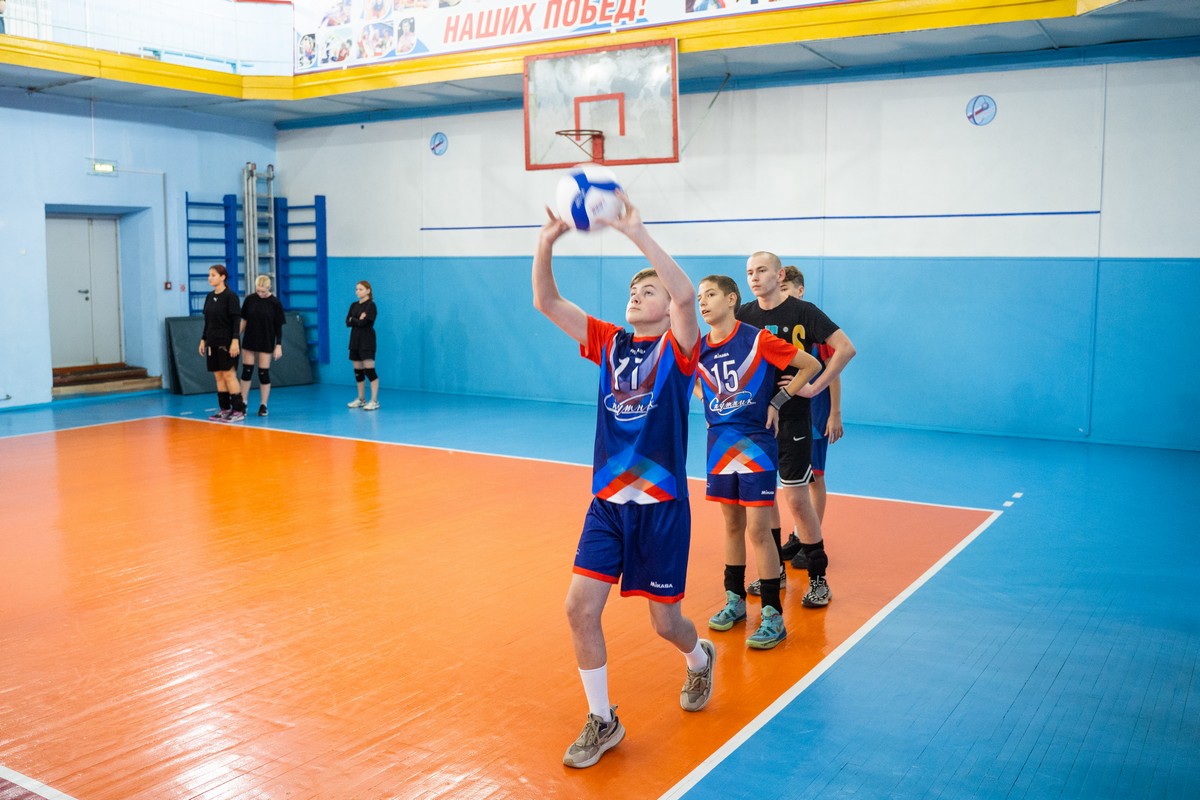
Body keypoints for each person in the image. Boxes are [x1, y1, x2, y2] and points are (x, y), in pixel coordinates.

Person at [532, 192, 714, 769]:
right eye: (633, 290)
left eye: (647, 290)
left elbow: (684, 295)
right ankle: (603, 720)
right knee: (579, 608)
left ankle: (699, 657)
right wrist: (545, 242)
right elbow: (546, 301)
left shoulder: (680, 350)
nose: (638, 294)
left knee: (666, 624)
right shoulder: (609, 343)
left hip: (661, 509)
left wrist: (636, 232)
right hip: (608, 505)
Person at [696, 275, 820, 649]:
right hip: (719, 446)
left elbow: (809, 365)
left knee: (758, 530)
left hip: (756, 445)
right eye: (699, 298)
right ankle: (734, 600)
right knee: (732, 525)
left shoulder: (757, 339)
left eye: (711, 294)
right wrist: (708, 402)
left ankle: (772, 614)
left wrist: (777, 402)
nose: (703, 303)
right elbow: (689, 381)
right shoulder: (699, 348)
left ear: (731, 299)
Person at [736, 252, 856, 608]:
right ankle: (776, 572)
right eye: (749, 272)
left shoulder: (804, 312)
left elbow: (845, 349)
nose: (754, 277)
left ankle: (819, 579)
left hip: (793, 418)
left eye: (761, 270)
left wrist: (815, 388)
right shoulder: (743, 315)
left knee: (797, 499)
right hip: (756, 421)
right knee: (764, 499)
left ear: (780, 275)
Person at [780, 266, 844, 527]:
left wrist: (834, 413)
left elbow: (834, 373)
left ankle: (811, 534)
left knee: (814, 476)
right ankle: (799, 532)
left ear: (800, 290)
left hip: (815, 414)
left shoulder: (815, 328)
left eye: (786, 289)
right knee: (793, 478)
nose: (782, 295)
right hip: (785, 415)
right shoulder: (776, 330)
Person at [198, 265, 246, 423]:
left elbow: (236, 320)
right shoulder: (209, 297)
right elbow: (208, 321)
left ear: (222, 277)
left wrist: (235, 341)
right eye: (209, 275)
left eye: (213, 275)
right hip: (212, 341)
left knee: (229, 375)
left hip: (226, 342)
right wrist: (203, 339)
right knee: (218, 376)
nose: (209, 278)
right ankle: (224, 409)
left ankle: (238, 410)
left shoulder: (230, 296)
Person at [239, 275, 286, 417]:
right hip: (250, 339)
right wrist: (235, 337)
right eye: (258, 291)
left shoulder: (275, 303)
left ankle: (263, 405)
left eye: (263, 291)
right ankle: (243, 402)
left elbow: (278, 326)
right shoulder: (250, 300)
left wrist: (278, 345)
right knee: (246, 371)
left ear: (269, 288)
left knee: (263, 373)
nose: (260, 294)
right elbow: (244, 320)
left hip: (266, 339)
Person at [345, 280, 380, 410]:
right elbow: (347, 322)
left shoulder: (371, 306)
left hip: (367, 341)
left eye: (360, 289)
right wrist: (357, 319)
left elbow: (364, 323)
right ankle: (361, 399)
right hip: (355, 341)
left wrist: (354, 320)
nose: (357, 292)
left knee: (369, 371)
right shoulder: (354, 305)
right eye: (356, 289)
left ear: (368, 291)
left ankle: (374, 400)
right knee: (358, 372)